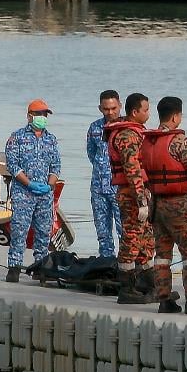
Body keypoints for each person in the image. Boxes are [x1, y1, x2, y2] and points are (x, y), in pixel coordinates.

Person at [143, 97, 187, 314]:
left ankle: (164, 299)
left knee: (162, 253)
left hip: (156, 203)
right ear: (175, 116)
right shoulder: (179, 141)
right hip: (178, 204)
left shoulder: (148, 141)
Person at [106, 93, 155, 304]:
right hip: (132, 195)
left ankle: (145, 283)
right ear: (135, 112)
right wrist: (141, 200)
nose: (148, 113)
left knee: (146, 239)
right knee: (132, 238)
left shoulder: (138, 133)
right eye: (145, 110)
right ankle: (126, 287)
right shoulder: (127, 135)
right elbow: (132, 169)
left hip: (142, 193)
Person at [4, 99, 61, 283]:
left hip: (45, 194)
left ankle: (40, 267)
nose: (42, 118)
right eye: (39, 114)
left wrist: (50, 185)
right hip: (24, 192)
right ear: (30, 116)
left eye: (45, 115)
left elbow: (56, 166)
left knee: (44, 231)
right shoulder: (17, 137)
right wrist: (29, 183)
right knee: (19, 230)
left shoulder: (51, 139)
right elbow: (12, 165)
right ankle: (14, 266)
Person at [87, 90, 123, 258]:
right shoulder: (95, 128)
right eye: (106, 109)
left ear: (120, 106)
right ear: (100, 108)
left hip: (120, 189)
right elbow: (91, 154)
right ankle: (106, 264)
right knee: (103, 233)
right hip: (99, 188)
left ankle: (127, 269)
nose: (110, 112)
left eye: (113, 108)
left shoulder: (127, 127)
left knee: (125, 231)